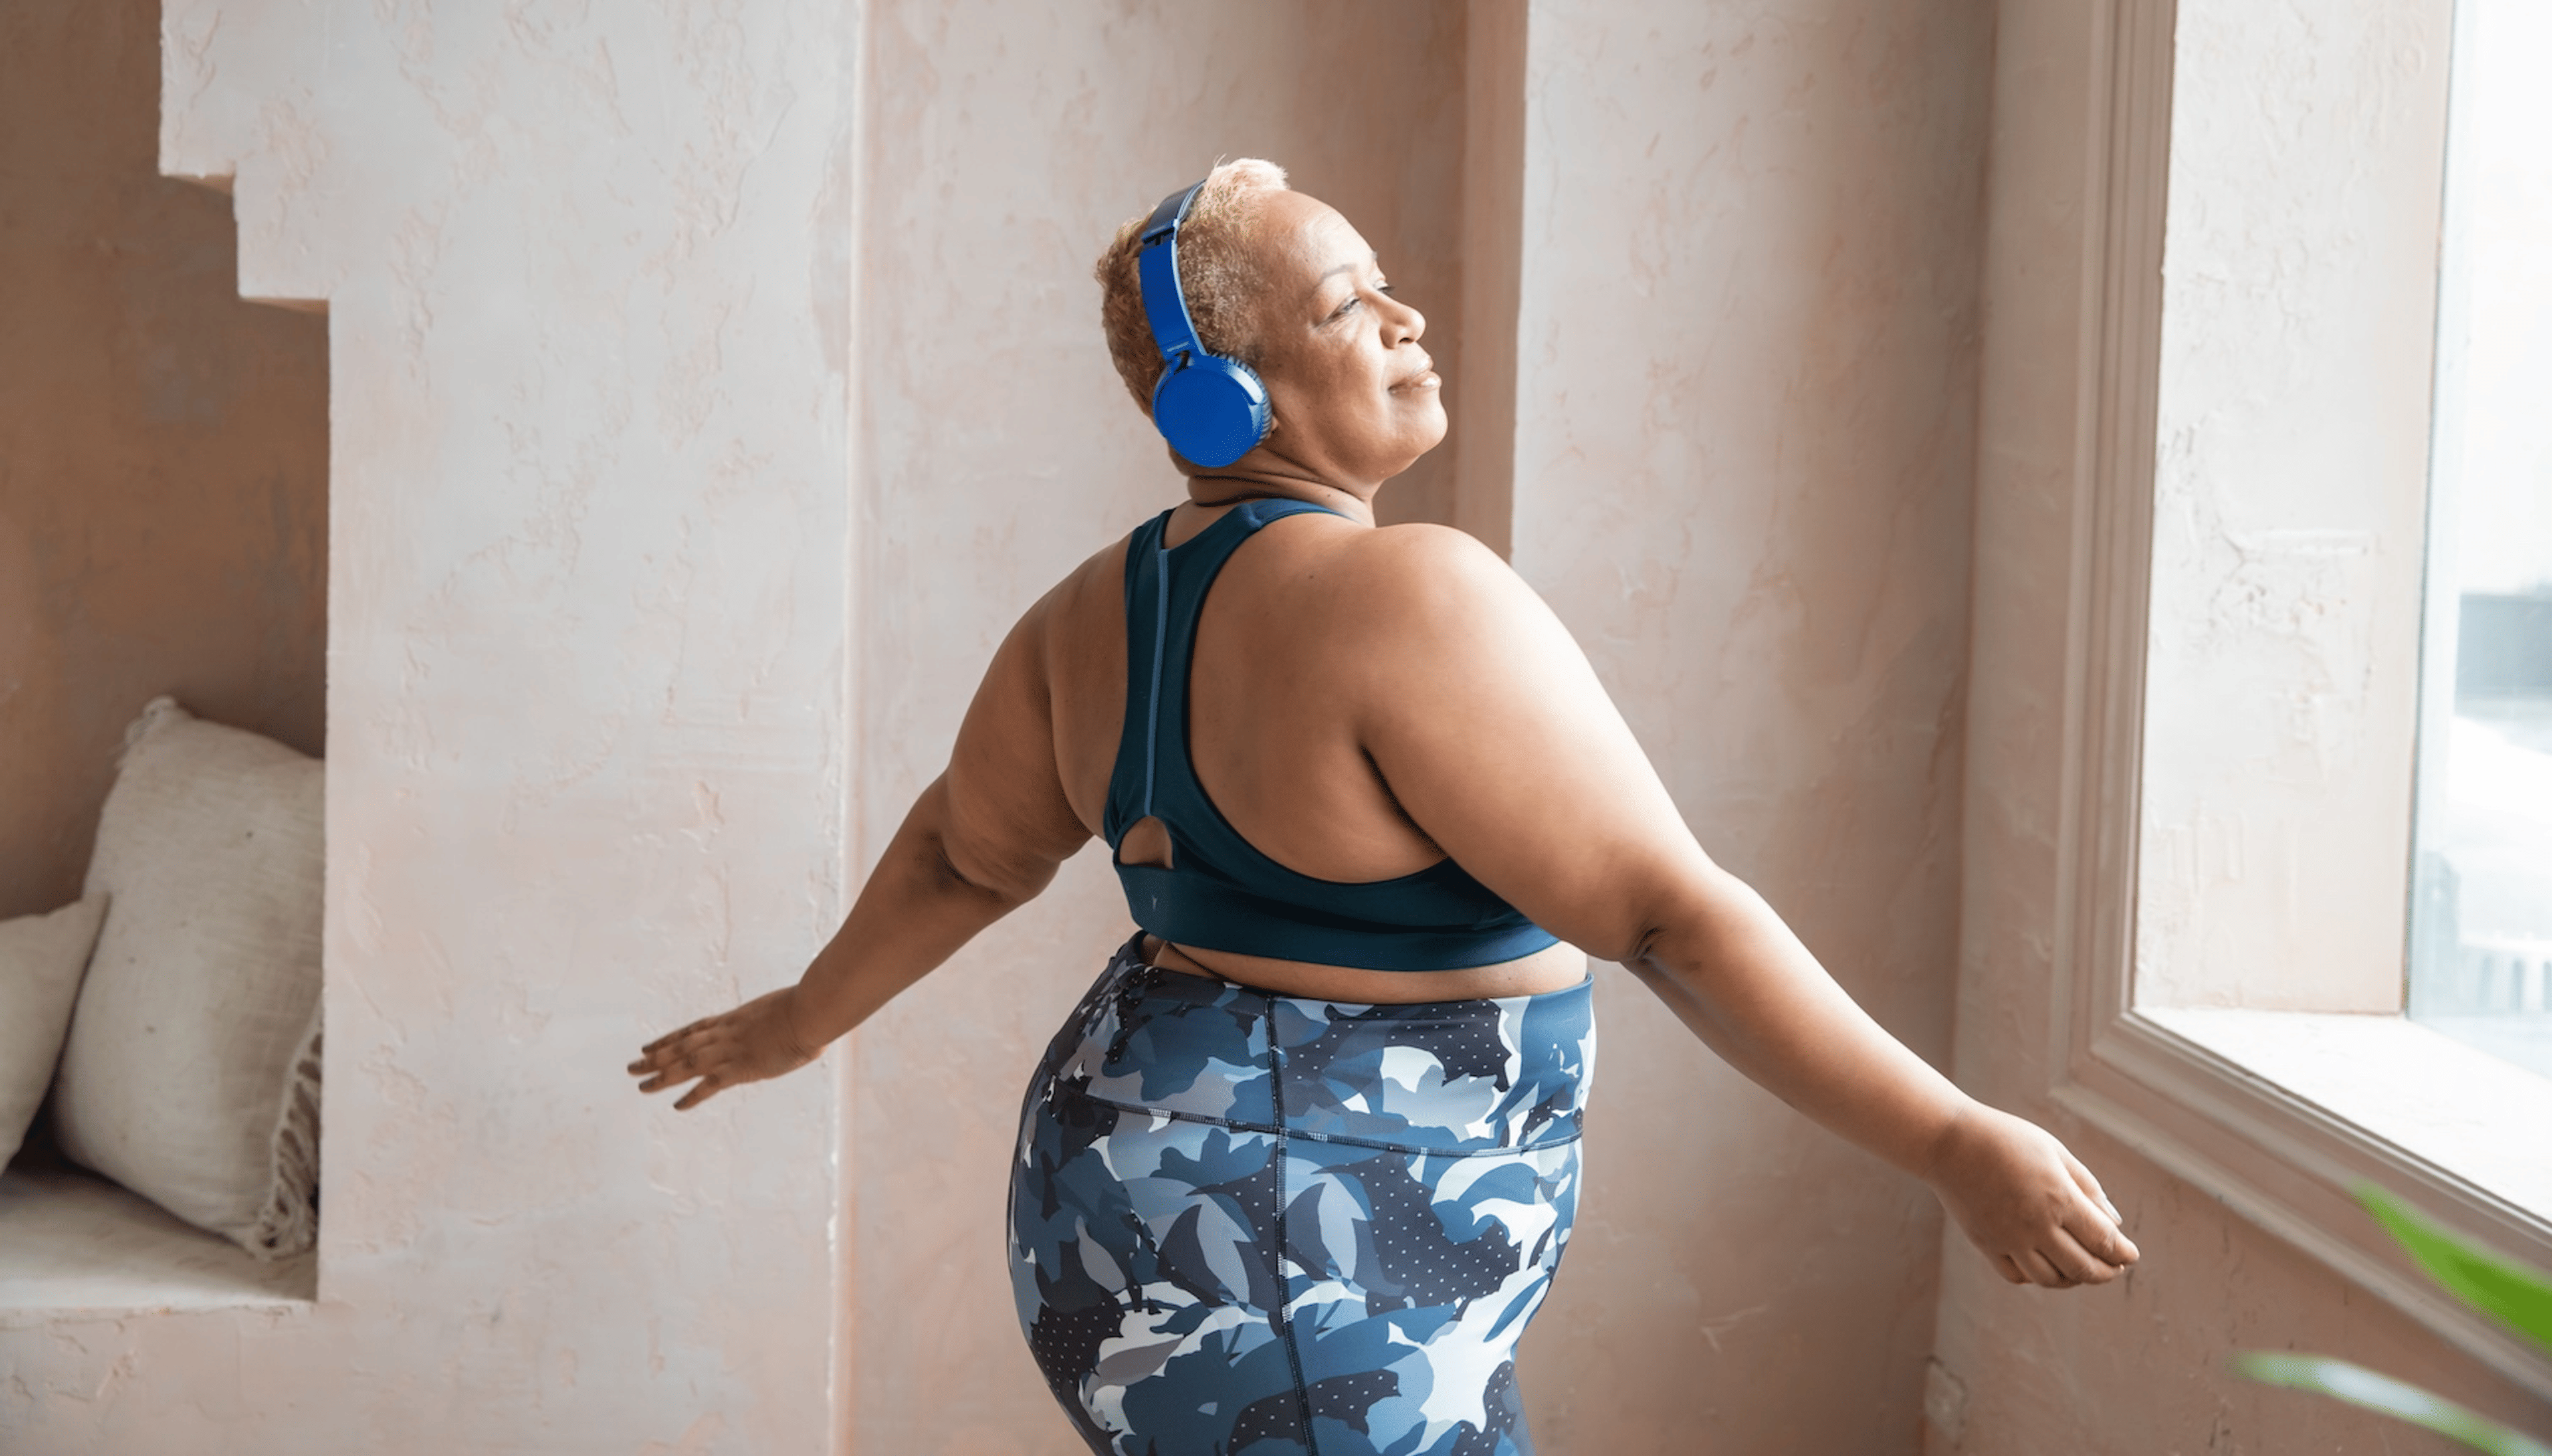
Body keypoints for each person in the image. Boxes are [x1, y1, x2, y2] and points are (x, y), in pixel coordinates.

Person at [631, 159, 2138, 1455]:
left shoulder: (1084, 616)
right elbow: (1668, 920)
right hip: (1297, 1272)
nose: (1407, 318)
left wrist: (802, 1020)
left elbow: (964, 857)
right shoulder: (1409, 593)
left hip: (1136, 1226)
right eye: (1349, 305)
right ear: (1223, 396)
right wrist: (1954, 1139)